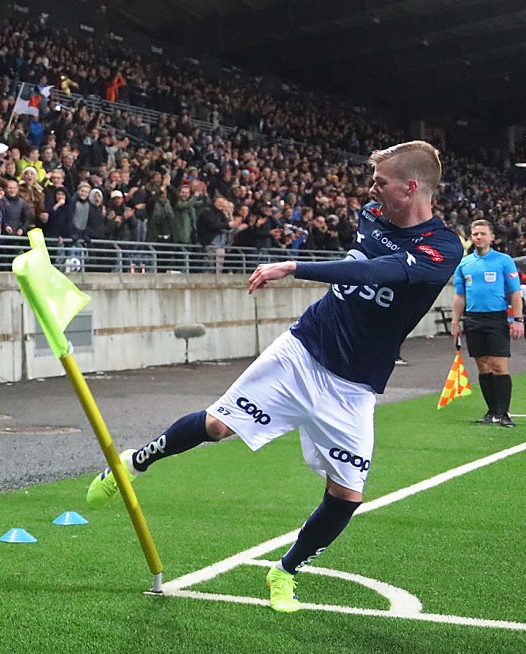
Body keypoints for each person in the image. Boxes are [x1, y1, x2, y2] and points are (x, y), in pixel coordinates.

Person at [85, 141, 462, 614]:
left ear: (412, 187)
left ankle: (284, 571)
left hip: (354, 384)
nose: (372, 190)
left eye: (381, 182)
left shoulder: (443, 247)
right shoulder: (372, 214)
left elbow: (382, 271)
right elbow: (365, 264)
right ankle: (132, 465)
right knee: (218, 425)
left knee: (346, 495)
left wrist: (296, 266)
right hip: (304, 350)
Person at [451, 219, 524, 427]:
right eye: (475, 234)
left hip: (496, 318)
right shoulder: (464, 264)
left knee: (499, 365)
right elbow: (459, 296)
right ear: (471, 237)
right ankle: (492, 411)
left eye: (483, 234)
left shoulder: (504, 260)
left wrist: (518, 319)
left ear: (492, 237)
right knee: (483, 366)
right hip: (473, 319)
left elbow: (515, 292)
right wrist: (455, 322)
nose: (479, 237)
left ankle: (504, 412)